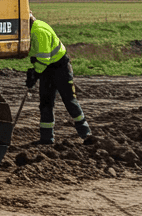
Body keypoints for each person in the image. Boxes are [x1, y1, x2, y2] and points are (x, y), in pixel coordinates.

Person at [26, 12, 95, 145]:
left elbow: (44, 58)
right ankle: (46, 138)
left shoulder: (39, 31)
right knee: (46, 102)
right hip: (47, 69)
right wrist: (34, 70)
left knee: (69, 100)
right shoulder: (34, 28)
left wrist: (35, 73)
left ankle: (85, 133)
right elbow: (38, 55)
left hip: (60, 68)